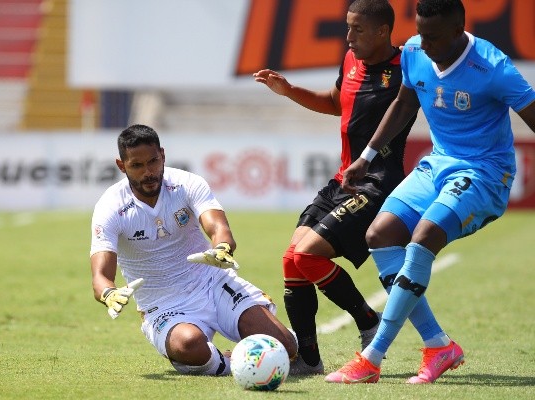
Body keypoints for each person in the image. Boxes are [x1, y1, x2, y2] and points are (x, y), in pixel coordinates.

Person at [327, 0, 535, 384]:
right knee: (380, 235)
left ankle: (372, 358)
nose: (424, 44)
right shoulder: (414, 50)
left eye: (433, 37)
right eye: (420, 33)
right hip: (437, 165)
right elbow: (404, 103)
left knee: (423, 238)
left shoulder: (494, 68)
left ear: (458, 31)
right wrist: (367, 157)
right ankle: (439, 345)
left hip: (485, 173)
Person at [253, 0, 451, 376]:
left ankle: (367, 321)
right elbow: (334, 103)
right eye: (348, 27)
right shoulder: (350, 61)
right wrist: (289, 90)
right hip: (344, 178)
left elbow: (436, 95)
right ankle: (309, 359)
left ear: (382, 31)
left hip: (377, 184)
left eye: (357, 29)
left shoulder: (407, 65)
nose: (348, 37)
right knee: (292, 261)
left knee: (307, 256)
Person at [89, 124, 298, 376]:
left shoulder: (186, 183)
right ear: (122, 165)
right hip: (163, 304)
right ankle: (229, 362)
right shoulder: (110, 207)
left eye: (153, 161)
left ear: (162, 155)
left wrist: (222, 247)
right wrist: (109, 293)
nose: (148, 172)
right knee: (189, 344)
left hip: (212, 282)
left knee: (285, 346)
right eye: (137, 165)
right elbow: (100, 276)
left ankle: (265, 348)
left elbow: (218, 227)